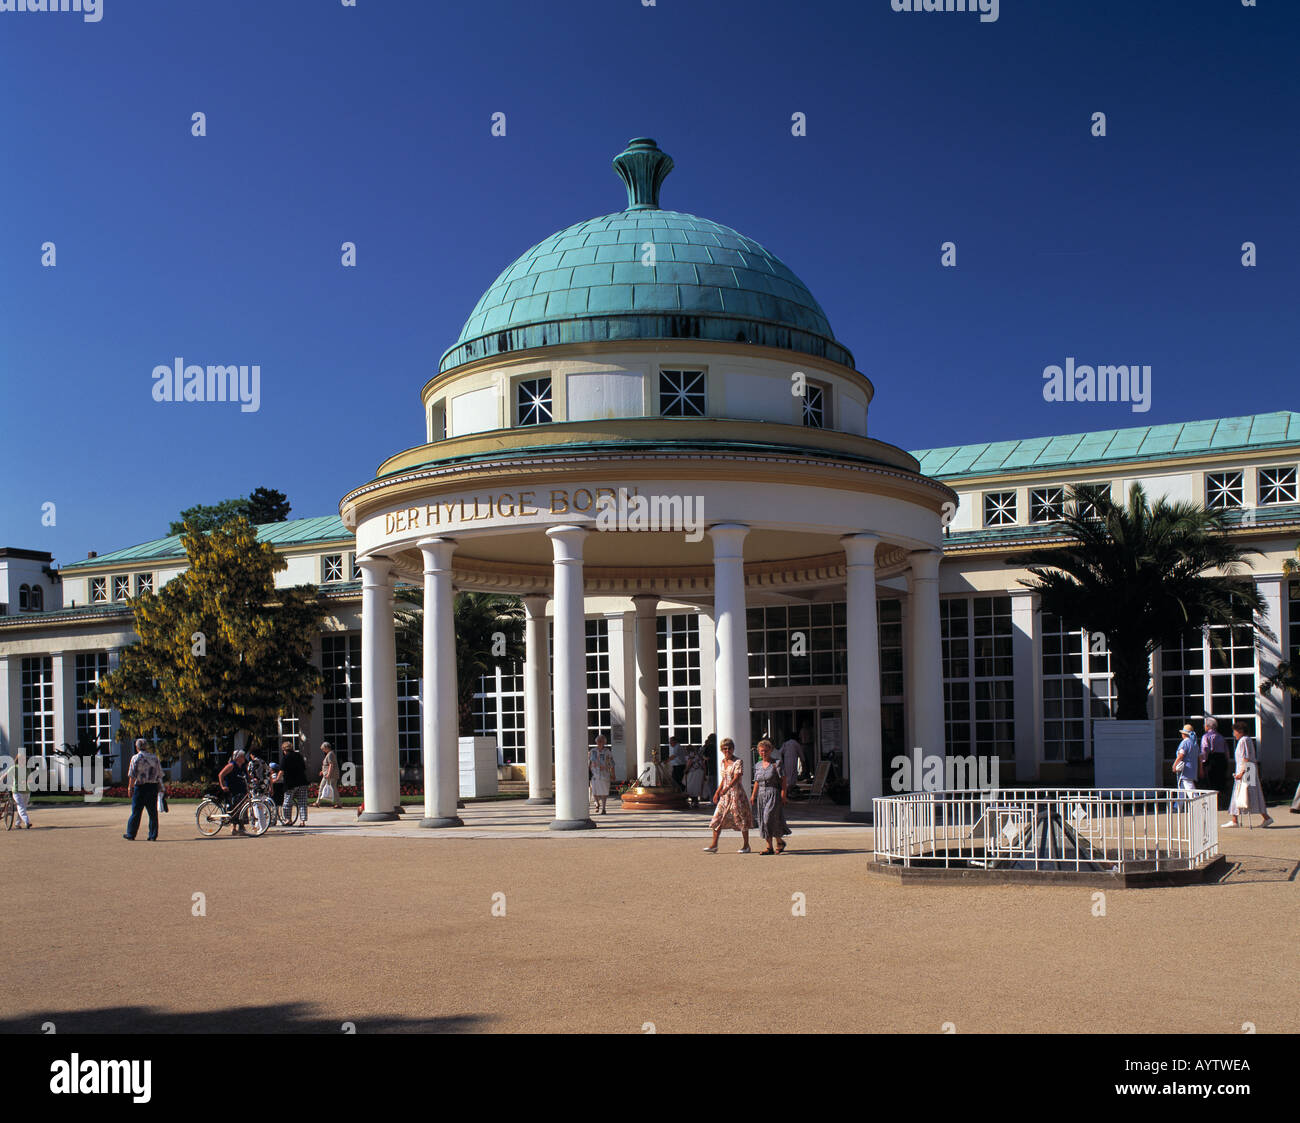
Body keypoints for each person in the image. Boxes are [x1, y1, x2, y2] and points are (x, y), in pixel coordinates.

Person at [704, 738, 751, 853]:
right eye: (725, 748)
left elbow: (737, 777)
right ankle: (714, 845)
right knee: (717, 818)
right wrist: (717, 792)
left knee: (741, 818)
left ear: (733, 749)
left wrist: (727, 788)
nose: (727, 750)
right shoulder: (722, 762)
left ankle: (746, 845)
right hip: (725, 796)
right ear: (721, 750)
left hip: (736, 794)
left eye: (729, 748)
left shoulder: (738, 761)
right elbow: (724, 778)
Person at [1224, 721, 1273, 828]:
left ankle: (1236, 820)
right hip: (1249, 769)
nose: (1234, 734)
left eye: (1235, 731)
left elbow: (1245, 758)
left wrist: (1241, 772)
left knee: (1243, 793)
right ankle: (1235, 819)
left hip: (1247, 770)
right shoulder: (1247, 740)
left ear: (1240, 731)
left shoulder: (1244, 740)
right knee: (1248, 793)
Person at [750, 739, 792, 855]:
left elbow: (783, 780)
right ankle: (771, 846)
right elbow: (757, 781)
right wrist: (753, 795)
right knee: (763, 820)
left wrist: (784, 795)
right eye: (761, 751)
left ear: (771, 751)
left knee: (769, 817)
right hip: (761, 794)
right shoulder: (758, 765)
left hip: (773, 793)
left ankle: (779, 842)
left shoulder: (776, 763)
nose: (763, 753)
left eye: (766, 751)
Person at [124, 737, 163, 842]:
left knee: (136, 812)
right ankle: (153, 835)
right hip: (152, 787)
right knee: (153, 813)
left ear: (137, 747)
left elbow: (132, 775)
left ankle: (131, 834)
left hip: (140, 787)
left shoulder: (135, 758)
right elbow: (159, 774)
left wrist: (130, 787)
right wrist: (161, 787)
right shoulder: (154, 758)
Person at [1200, 716, 1230, 809]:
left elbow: (1205, 749)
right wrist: (1226, 762)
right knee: (1220, 782)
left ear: (1208, 726)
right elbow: (1227, 752)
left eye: (1205, 725)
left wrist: (1203, 762)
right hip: (1221, 760)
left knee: (1210, 782)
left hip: (1211, 759)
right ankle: (1221, 804)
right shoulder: (1221, 737)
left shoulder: (1206, 736)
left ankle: (1213, 804)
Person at [218, 748, 249, 835]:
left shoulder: (243, 766)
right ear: (237, 757)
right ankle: (234, 827)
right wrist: (222, 786)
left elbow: (248, 777)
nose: (244, 758)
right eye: (242, 756)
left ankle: (241, 827)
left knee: (243, 808)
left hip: (242, 789)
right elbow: (221, 774)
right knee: (235, 808)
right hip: (233, 790)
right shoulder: (231, 765)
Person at [279, 738, 309, 826]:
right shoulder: (299, 755)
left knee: (287, 803)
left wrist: (276, 779)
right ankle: (302, 821)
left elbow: (281, 771)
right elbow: (304, 767)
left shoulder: (285, 758)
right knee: (302, 802)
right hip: (302, 781)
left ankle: (288, 820)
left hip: (291, 783)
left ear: (284, 750)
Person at [1172, 722, 1199, 802]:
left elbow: (1181, 755)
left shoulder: (1185, 743)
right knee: (1182, 789)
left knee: (1190, 789)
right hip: (1192, 769)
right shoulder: (1194, 744)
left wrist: (1174, 765)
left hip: (1185, 770)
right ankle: (1177, 807)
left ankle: (1198, 804)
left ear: (1184, 734)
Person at [589, 734, 615, 815]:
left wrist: (613, 774)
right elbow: (590, 762)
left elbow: (612, 764)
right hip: (595, 774)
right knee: (594, 791)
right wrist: (589, 772)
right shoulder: (593, 751)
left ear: (604, 742)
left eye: (601, 741)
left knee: (604, 792)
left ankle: (603, 808)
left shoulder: (607, 752)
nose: (599, 743)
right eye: (598, 741)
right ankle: (597, 803)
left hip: (605, 774)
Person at [11, 750, 33, 829]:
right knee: (21, 807)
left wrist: (26, 781)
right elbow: (5, 775)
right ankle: (27, 822)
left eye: (24, 759)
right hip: (17, 790)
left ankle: (17, 823)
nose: (24, 760)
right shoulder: (14, 768)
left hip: (26, 791)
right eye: (22, 759)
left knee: (23, 807)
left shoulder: (27, 769)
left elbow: (31, 779)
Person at [682, 744, 707, 809]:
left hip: (693, 772)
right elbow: (704, 765)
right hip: (700, 772)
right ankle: (695, 802)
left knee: (691, 787)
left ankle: (694, 802)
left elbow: (689, 763)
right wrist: (704, 774)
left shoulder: (690, 755)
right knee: (697, 787)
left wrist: (685, 770)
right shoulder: (699, 755)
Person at [315, 741, 339, 807]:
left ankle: (318, 802)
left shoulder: (330, 754)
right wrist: (322, 771)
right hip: (329, 774)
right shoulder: (330, 754)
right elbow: (327, 765)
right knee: (332, 788)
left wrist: (328, 774)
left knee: (323, 787)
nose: (323, 750)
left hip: (330, 775)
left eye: (323, 749)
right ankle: (338, 803)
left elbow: (331, 764)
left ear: (326, 747)